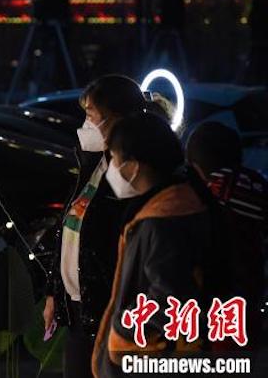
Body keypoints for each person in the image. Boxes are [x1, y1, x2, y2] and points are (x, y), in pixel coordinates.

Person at [43, 75, 149, 378]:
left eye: (91, 115)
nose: (85, 123)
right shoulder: (95, 165)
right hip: (80, 310)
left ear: (118, 118)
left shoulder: (134, 173)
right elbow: (68, 231)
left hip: (112, 313)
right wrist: (55, 293)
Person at [92, 113, 212, 378]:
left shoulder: (163, 220)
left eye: (114, 158)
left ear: (135, 165)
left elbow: (170, 301)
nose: (111, 167)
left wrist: (123, 333)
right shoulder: (174, 204)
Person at [186, 121, 267, 346]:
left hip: (219, 299)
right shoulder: (255, 185)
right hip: (251, 293)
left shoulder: (204, 196)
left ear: (196, 167)